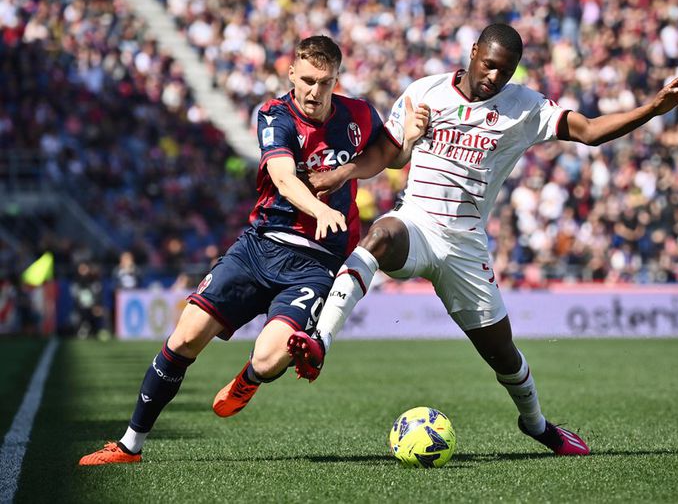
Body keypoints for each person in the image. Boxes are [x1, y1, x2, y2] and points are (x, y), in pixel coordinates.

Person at [288, 23, 678, 456]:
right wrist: (341, 172)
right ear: (474, 51)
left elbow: (590, 131)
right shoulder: (425, 91)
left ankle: (538, 425)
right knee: (380, 236)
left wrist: (653, 108)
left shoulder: (524, 106)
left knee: (503, 355)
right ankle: (320, 341)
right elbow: (388, 153)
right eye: (490, 65)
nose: (495, 78)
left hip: (465, 246)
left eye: (506, 71)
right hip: (418, 223)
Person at [78, 35, 429, 465]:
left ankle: (248, 378)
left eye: (325, 82)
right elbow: (283, 177)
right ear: (291, 75)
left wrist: (406, 143)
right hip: (259, 247)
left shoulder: (357, 113)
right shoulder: (273, 114)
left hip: (316, 264)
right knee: (186, 335)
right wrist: (320, 207)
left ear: (337, 79)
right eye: (308, 80)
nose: (315, 92)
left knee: (269, 359)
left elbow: (384, 156)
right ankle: (130, 444)